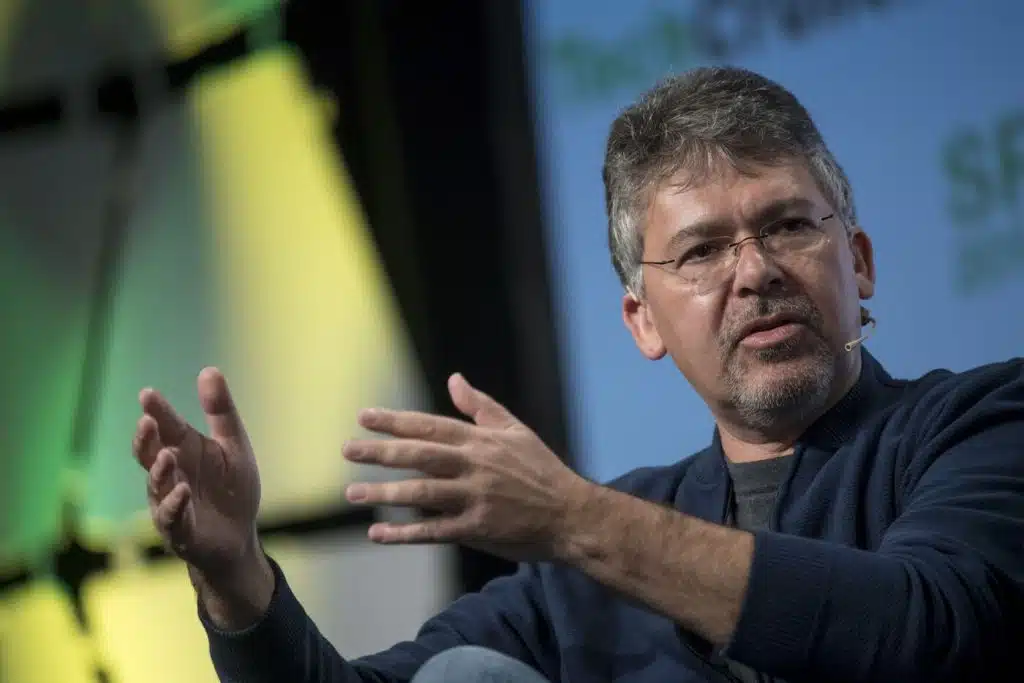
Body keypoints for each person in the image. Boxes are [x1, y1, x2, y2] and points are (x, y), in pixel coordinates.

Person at [132, 66, 1024, 683]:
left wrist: (572, 518)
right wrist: (236, 578)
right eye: (703, 250)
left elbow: (927, 629)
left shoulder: (980, 422)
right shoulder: (585, 574)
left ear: (858, 261)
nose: (755, 271)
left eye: (789, 226)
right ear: (643, 320)